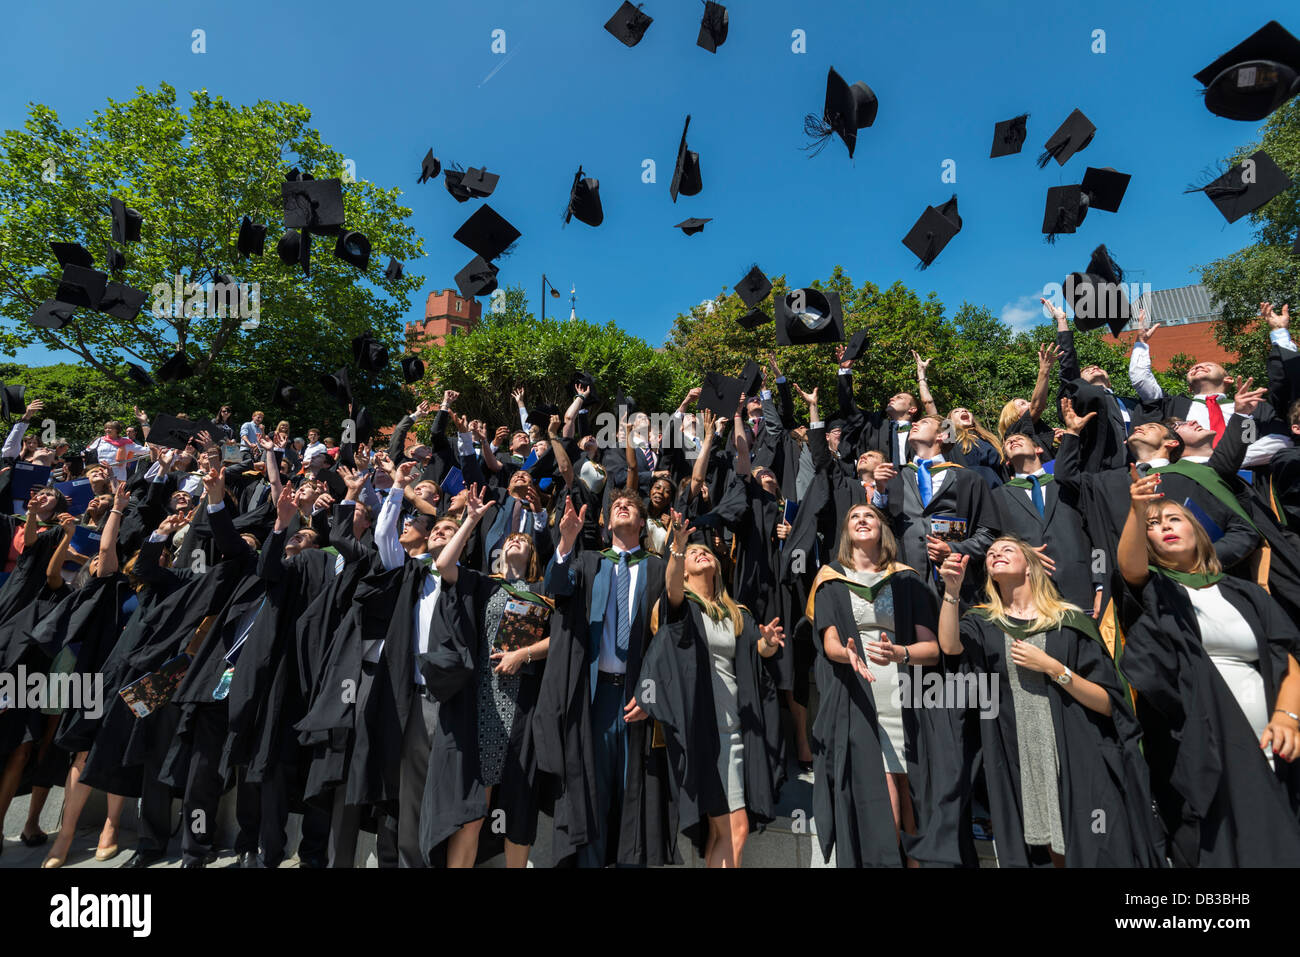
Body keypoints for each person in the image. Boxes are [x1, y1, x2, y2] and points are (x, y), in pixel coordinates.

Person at [937, 539, 1163, 867]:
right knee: (1052, 852)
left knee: (1095, 844)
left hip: (1077, 752)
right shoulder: (984, 623)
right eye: (990, 554)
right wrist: (952, 591)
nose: (995, 554)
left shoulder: (1068, 622)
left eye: (1006, 550)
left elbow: (1108, 703)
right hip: (1022, 754)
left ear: (1030, 566)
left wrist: (1054, 669)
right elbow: (950, 646)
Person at [1117, 469, 1300, 866]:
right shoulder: (1158, 593)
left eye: (1173, 519)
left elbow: (1287, 660)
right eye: (1153, 525)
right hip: (1202, 749)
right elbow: (1130, 567)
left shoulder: (1246, 593)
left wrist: (1288, 717)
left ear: (1198, 531)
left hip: (1271, 740)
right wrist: (1137, 508)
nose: (1163, 526)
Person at [636, 512, 782, 866]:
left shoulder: (735, 613)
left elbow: (755, 654)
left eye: (707, 553)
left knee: (724, 832)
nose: (703, 554)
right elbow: (671, 589)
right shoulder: (683, 608)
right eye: (694, 555)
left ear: (718, 565)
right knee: (736, 828)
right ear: (685, 570)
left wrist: (768, 644)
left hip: (736, 729)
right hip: (705, 729)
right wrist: (678, 550)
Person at [806, 503, 949, 867]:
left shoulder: (907, 579)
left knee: (916, 804)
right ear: (846, 533)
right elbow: (830, 642)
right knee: (887, 810)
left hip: (908, 699)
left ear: (882, 529)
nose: (862, 519)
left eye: (869, 515)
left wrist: (900, 651)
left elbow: (932, 650)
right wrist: (847, 655)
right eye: (853, 516)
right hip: (863, 698)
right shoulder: (830, 579)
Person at [538, 491, 672, 867]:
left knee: (635, 795)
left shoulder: (658, 569)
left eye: (630, 505)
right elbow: (556, 586)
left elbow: (669, 640)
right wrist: (565, 541)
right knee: (591, 794)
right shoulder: (588, 563)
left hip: (637, 701)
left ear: (642, 525)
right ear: (608, 523)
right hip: (594, 700)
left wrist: (650, 695)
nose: (622, 506)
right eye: (615, 507)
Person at [420, 484, 551, 867]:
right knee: (474, 810)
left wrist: (524, 653)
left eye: (521, 540)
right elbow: (444, 565)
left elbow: (563, 641)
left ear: (532, 555)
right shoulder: (482, 584)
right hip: (481, 703)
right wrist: (472, 519)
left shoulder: (543, 593)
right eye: (509, 538)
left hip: (523, 706)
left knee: (518, 805)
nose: (514, 541)